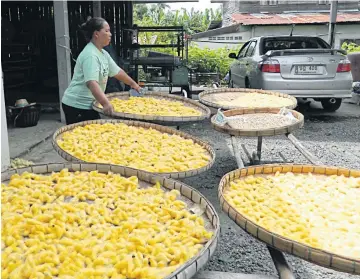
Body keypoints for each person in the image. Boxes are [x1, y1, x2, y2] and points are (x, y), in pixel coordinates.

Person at [61, 17, 141, 124]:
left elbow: (117, 72)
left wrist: (133, 84)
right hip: (77, 105)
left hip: (90, 104)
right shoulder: (90, 55)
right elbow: (92, 83)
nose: (110, 34)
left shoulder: (103, 53)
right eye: (107, 31)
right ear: (96, 34)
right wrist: (105, 103)